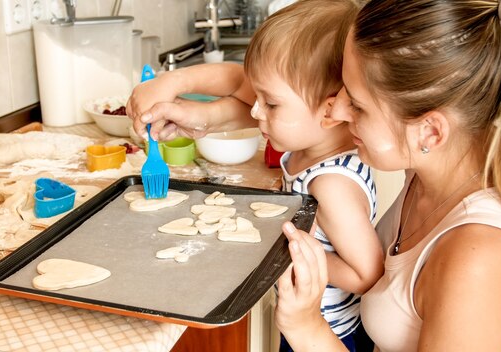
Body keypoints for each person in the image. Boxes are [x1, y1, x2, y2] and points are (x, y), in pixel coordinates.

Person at [130, 0, 501, 350]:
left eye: (356, 105)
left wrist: (306, 327)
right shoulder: (430, 170)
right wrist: (196, 112)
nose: (334, 116)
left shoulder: (481, 261)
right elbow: (267, 94)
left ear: (430, 131)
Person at [128, 1, 384, 350]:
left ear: (330, 111)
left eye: (271, 104)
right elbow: (240, 79)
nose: (255, 109)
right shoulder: (310, 145)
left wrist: (281, 252)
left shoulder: (332, 185)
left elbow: (367, 273)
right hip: (304, 321)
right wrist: (176, 85)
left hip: (327, 334)